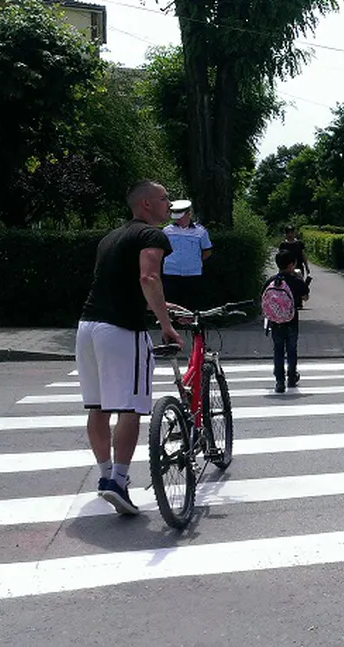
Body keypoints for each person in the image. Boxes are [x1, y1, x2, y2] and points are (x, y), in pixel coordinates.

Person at [77, 180, 183, 515]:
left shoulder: (111, 237)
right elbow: (148, 278)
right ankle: (120, 482)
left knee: (98, 407)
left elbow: (122, 284)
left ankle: (106, 476)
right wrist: (166, 326)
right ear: (147, 204)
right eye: (165, 198)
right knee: (131, 408)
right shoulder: (153, 235)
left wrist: (164, 307)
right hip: (122, 330)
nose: (170, 204)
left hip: (87, 327)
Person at [263, 250, 310, 394]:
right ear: (292, 265)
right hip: (292, 320)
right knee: (291, 350)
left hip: (275, 321)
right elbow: (305, 297)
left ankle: (279, 381)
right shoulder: (296, 280)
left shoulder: (271, 280)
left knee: (278, 350)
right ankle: (291, 377)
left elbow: (264, 298)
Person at [161, 199, 213, 312]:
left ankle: (192, 326)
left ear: (188, 214)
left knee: (193, 304)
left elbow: (207, 251)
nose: (178, 220)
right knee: (171, 304)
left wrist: (194, 262)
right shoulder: (166, 231)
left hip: (193, 273)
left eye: (180, 216)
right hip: (170, 273)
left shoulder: (200, 232)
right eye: (176, 217)